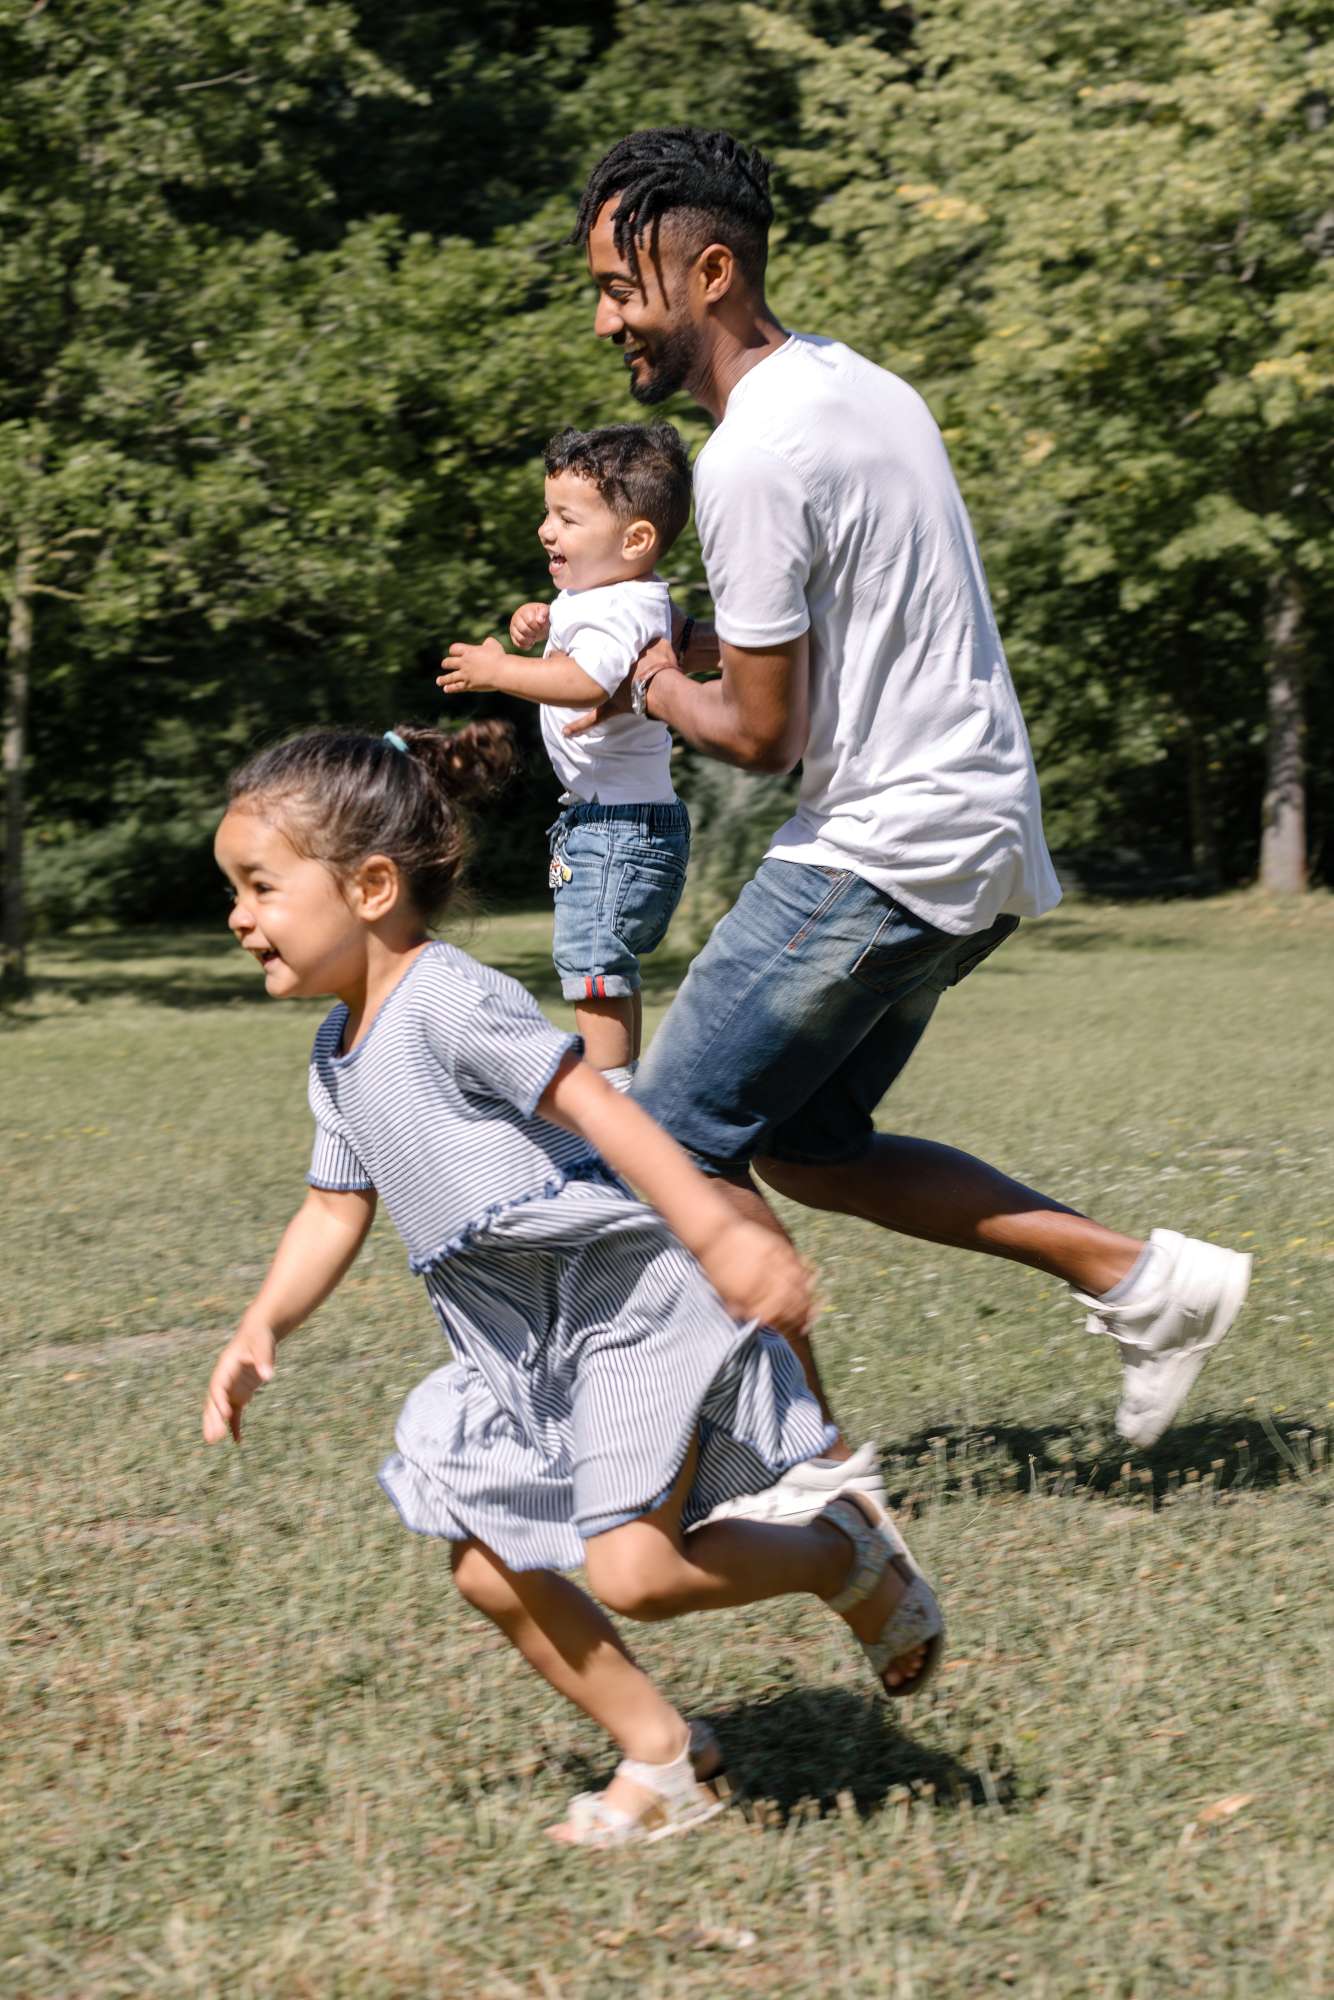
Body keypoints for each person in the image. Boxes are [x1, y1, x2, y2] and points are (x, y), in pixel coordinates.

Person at [563, 125, 1250, 1508]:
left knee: (671, 1139)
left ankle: (811, 1468)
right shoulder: (861, 385)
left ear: (709, 273)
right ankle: (1138, 1279)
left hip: (880, 842)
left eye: (621, 289)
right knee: (807, 1145)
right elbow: (842, 630)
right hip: (978, 830)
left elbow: (760, 735)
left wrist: (647, 677)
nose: (604, 321)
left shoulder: (747, 456)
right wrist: (700, 650)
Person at [200, 718, 944, 1849]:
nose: (238, 915)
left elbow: (598, 1106)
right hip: (517, 1345)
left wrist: (717, 1228)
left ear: (371, 886)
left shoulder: (448, 1001)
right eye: (234, 890)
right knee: (487, 1564)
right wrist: (262, 1323)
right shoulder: (336, 1056)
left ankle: (842, 1553)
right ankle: (666, 1756)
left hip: (621, 1305)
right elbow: (333, 1206)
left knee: (634, 1574)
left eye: (259, 885)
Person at [437, 423, 693, 1091]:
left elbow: (584, 682)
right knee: (603, 964)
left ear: (635, 540)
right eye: (547, 513)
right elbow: (580, 645)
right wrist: (540, 620)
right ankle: (622, 1083)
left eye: (567, 519)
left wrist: (501, 670)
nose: (546, 530)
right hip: (623, 823)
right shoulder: (606, 596)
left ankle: (611, 1096)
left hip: (617, 829)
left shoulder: (619, 608)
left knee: (592, 960)